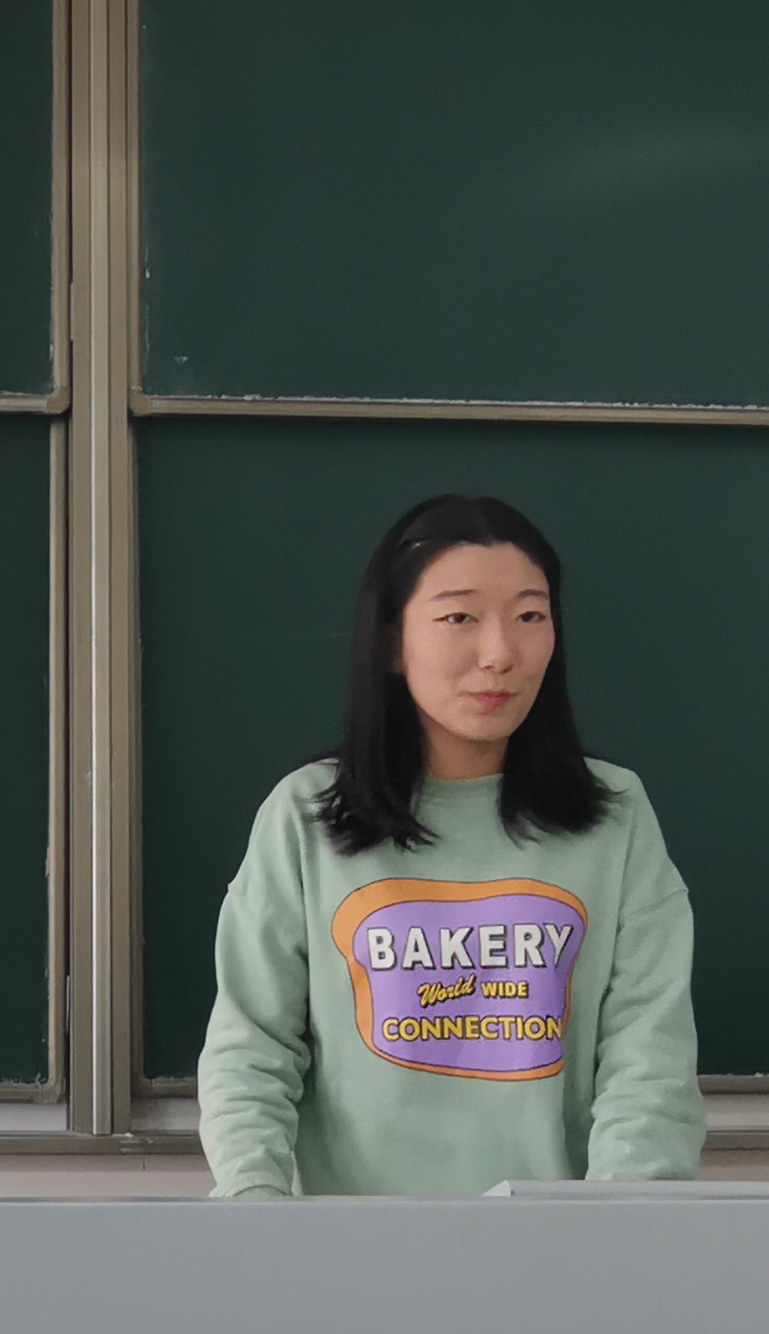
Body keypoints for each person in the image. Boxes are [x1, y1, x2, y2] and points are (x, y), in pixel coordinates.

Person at [198, 492, 704, 1198]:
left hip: (561, 1246)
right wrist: (256, 1209)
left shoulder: (614, 817)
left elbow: (649, 1064)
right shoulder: (306, 816)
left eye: (529, 617)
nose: (499, 654)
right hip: (353, 1248)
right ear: (391, 642)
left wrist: (609, 1228)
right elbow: (251, 1048)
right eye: (458, 618)